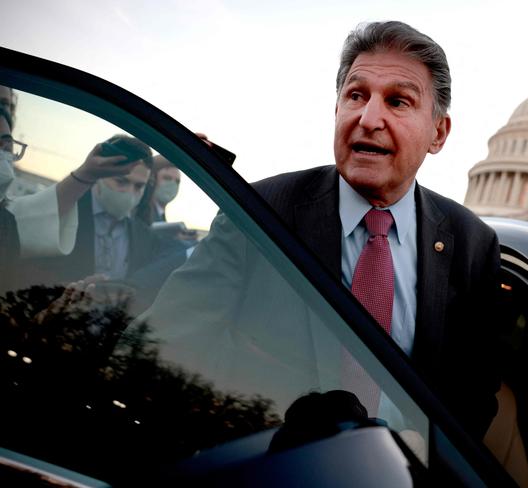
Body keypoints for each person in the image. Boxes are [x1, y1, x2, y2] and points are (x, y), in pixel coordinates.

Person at [139, 21, 501, 440]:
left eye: (398, 101)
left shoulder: (472, 244)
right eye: (356, 95)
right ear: (336, 110)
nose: (368, 118)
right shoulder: (257, 213)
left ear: (438, 133)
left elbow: (474, 397)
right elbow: (161, 347)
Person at [21, 135, 184, 288]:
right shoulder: (63, 213)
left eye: (139, 186)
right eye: (121, 181)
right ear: (99, 174)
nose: (129, 192)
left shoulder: (141, 234)